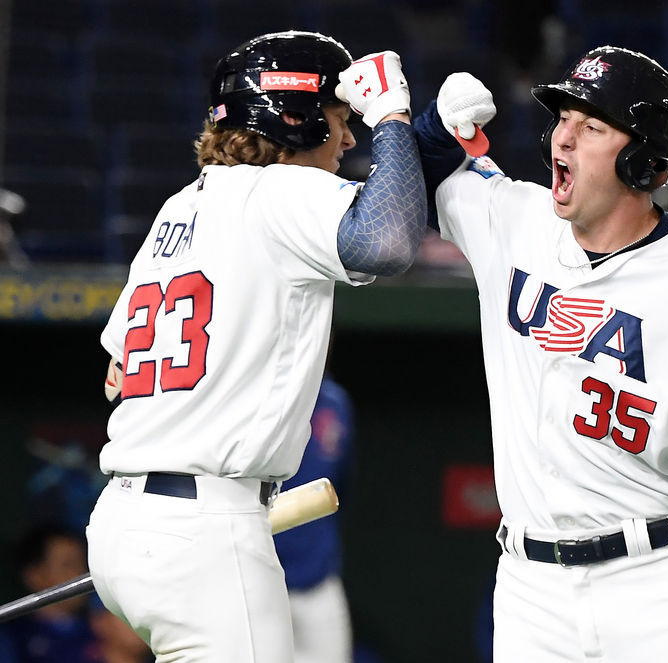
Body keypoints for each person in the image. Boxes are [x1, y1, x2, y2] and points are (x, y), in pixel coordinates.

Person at [414, 46, 668, 662]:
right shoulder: (515, 219)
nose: (563, 138)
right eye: (563, 120)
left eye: (592, 126)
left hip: (654, 584)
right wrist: (431, 127)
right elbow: (408, 186)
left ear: (643, 161)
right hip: (529, 588)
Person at [85, 30, 425, 662]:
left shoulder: (176, 211)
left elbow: (116, 372)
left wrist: (425, 141)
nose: (349, 138)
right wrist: (395, 120)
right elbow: (388, 243)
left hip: (123, 523)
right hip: (207, 525)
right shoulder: (281, 189)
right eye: (339, 118)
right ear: (294, 118)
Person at [274, 372, 356, 663]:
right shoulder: (259, 392)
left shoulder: (334, 402)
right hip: (260, 578)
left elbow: (340, 489)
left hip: (318, 582)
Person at [0, 524, 100, 663]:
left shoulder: (103, 631)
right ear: (35, 575)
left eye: (82, 563)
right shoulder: (12, 639)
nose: (80, 572)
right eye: (68, 564)